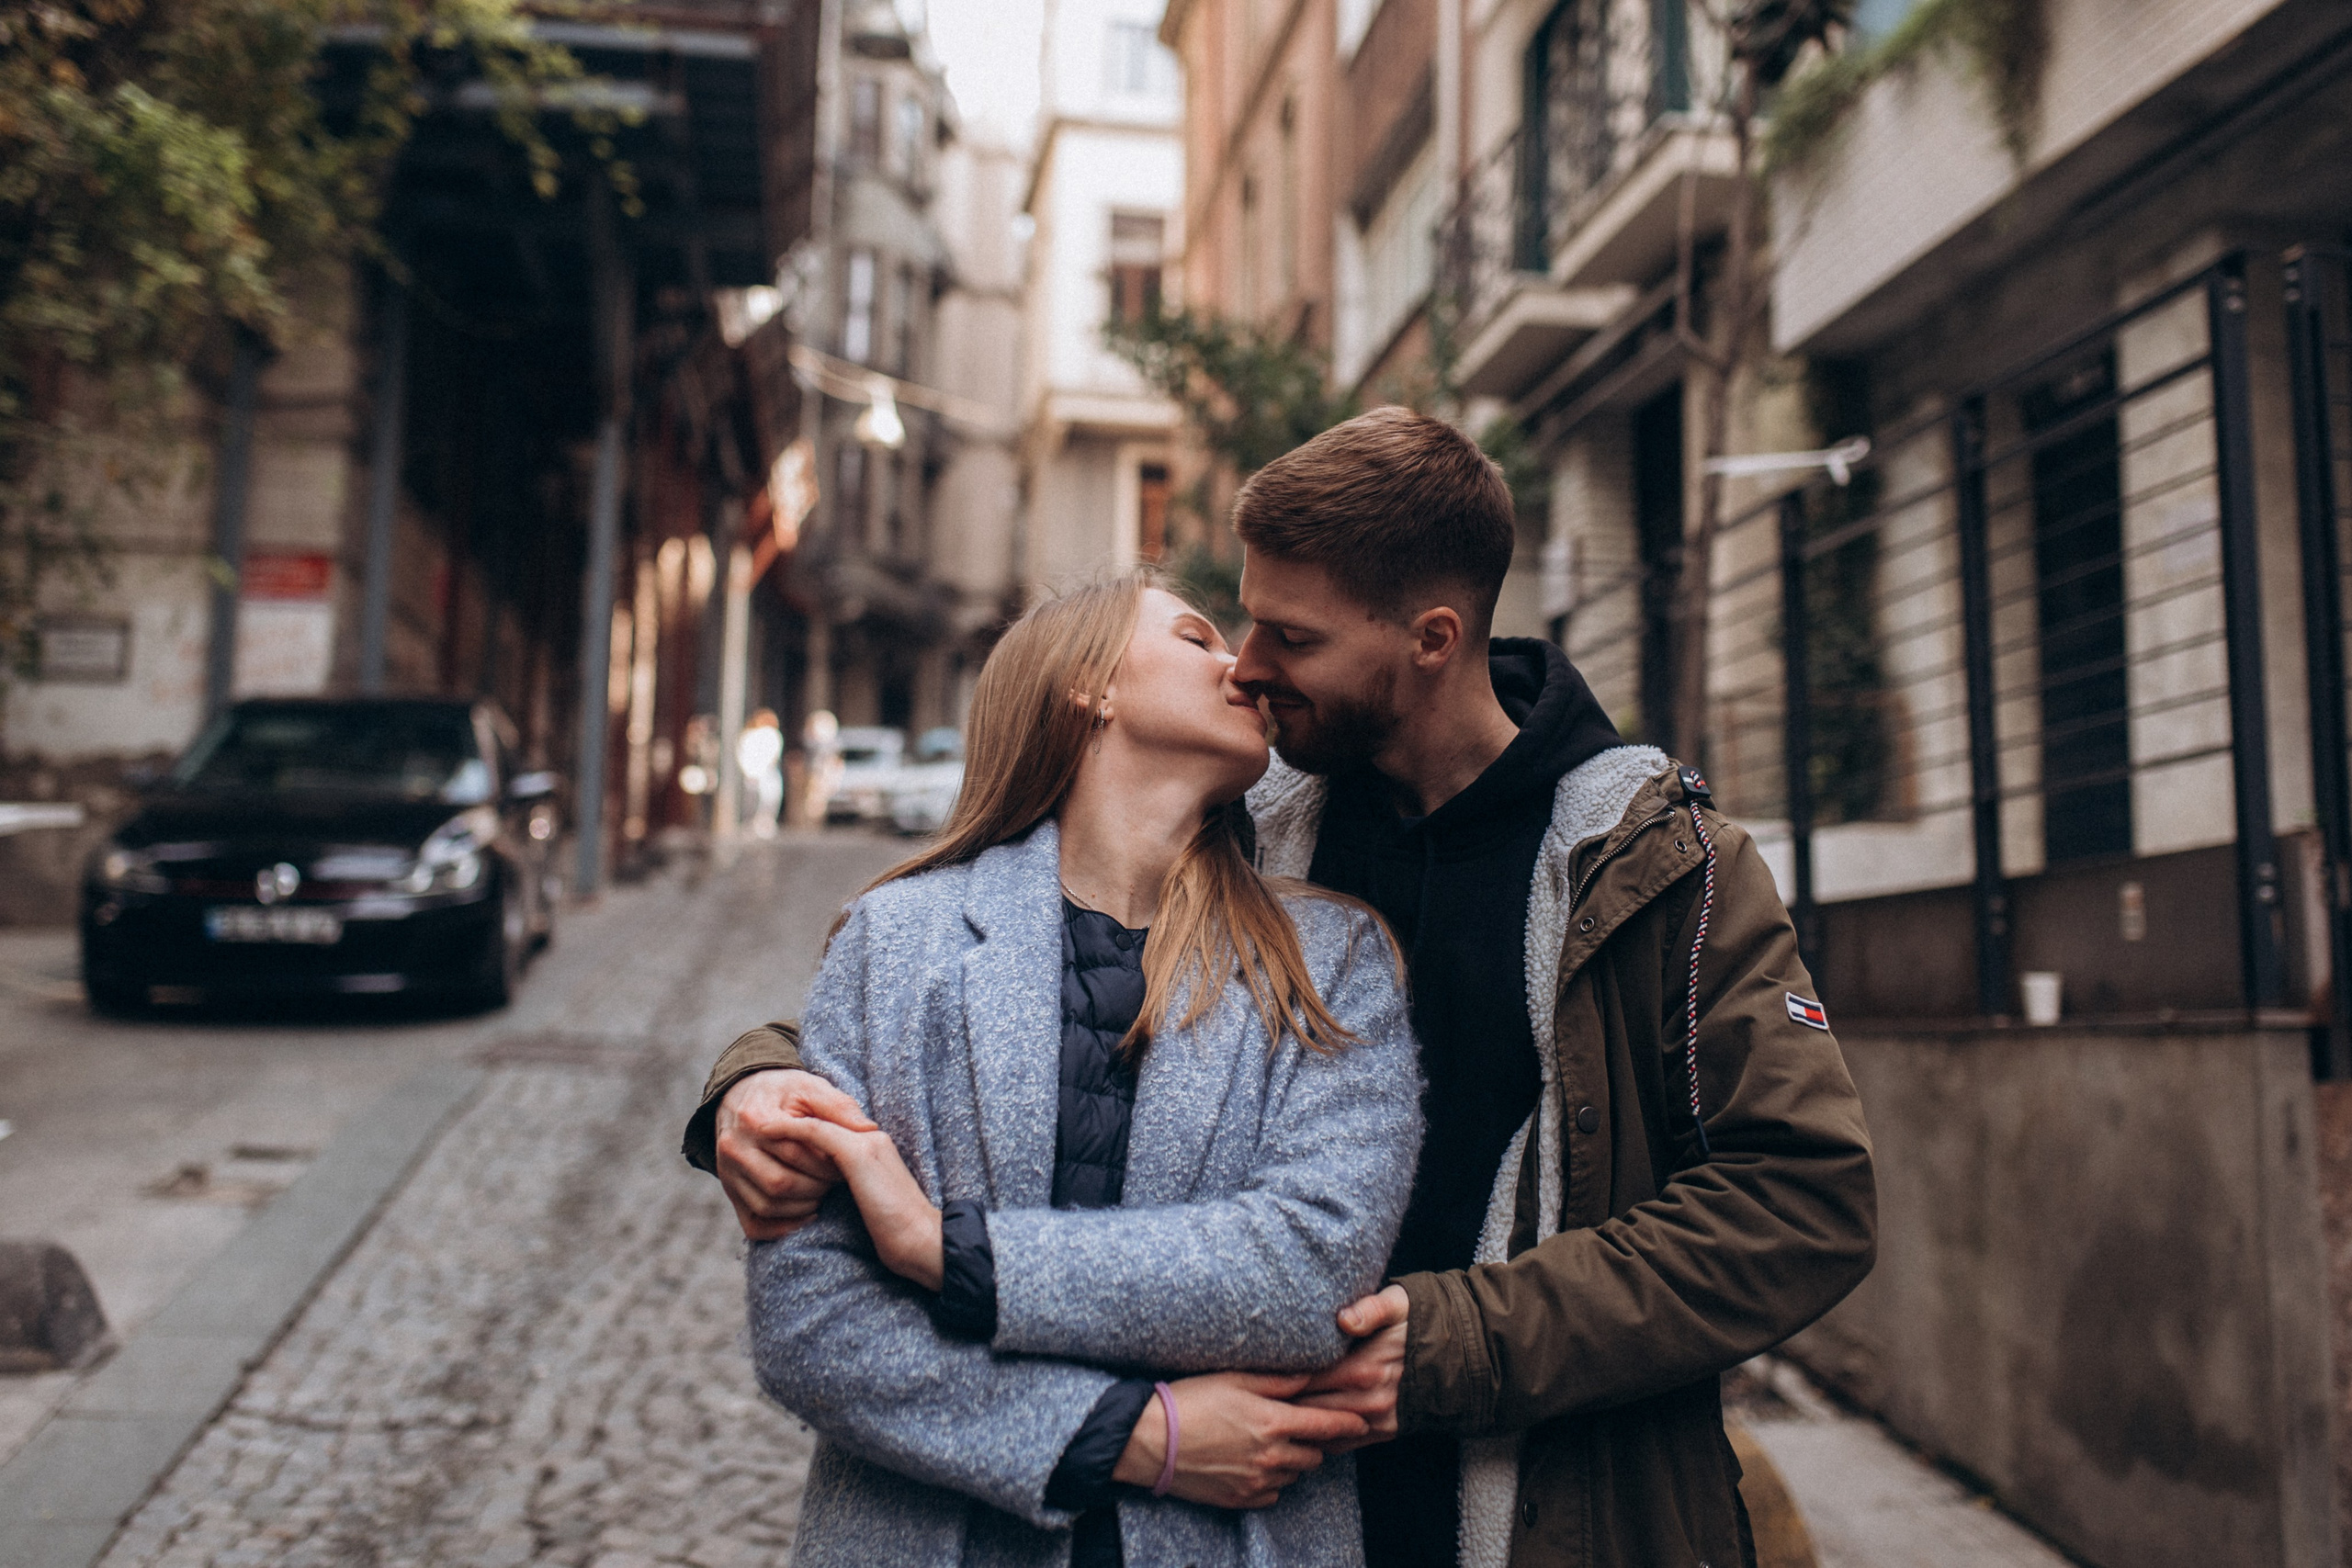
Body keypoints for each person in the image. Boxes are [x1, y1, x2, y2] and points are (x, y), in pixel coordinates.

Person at [687, 408, 1877, 1568]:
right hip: (1269, 1495)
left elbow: (1805, 1200)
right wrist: (762, 1078)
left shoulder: (1659, 862)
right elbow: (983, 972)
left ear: (1432, 639)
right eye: (1236, 625)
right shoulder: (1247, 816)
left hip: (1542, 1498)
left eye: (1290, 639)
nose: (1251, 669)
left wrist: (1464, 1338)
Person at [738, 576, 1424, 1568]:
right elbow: (812, 1323)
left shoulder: (1333, 960)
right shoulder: (898, 941)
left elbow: (1307, 1271)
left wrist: (950, 1253)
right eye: (1196, 636)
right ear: (1090, 686)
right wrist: (1131, 1437)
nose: (1241, 664)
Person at [737, 708, 785, 839]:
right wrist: (750, 771)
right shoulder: (749, 735)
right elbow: (743, 755)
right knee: (751, 800)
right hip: (753, 773)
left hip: (767, 773)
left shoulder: (773, 734)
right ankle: (750, 823)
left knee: (770, 798)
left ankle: (765, 823)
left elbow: (774, 756)